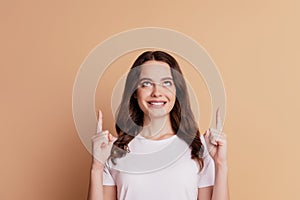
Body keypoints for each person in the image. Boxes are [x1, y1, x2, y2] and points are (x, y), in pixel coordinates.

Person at [87, 51, 229, 200]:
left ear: (177, 91)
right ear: (135, 92)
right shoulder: (114, 150)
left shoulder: (199, 147)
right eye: (146, 83)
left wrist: (220, 164)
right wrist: (97, 167)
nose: (157, 92)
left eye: (166, 83)